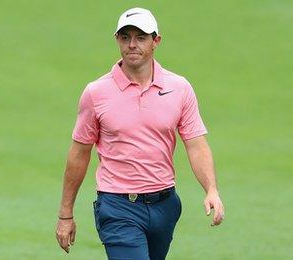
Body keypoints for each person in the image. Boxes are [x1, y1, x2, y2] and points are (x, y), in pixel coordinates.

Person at [55, 7, 224, 260]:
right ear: (117, 40)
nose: (132, 45)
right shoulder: (96, 92)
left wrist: (211, 190)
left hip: (165, 205)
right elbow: (79, 153)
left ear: (156, 41)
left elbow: (196, 144)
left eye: (141, 37)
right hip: (117, 206)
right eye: (125, 37)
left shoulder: (179, 88)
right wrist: (65, 214)